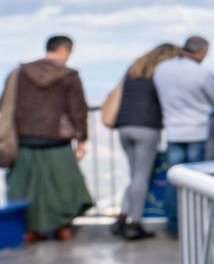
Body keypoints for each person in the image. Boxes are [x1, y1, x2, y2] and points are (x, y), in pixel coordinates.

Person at [3, 36, 93, 241]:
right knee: (63, 186)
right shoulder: (68, 75)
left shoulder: (19, 74)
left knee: (24, 187)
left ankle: (29, 230)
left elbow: (6, 104)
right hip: (57, 141)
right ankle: (62, 228)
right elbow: (77, 109)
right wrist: (82, 138)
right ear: (64, 50)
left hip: (23, 139)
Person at [110, 42, 179, 240]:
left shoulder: (133, 69)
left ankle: (122, 218)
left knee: (135, 177)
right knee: (141, 176)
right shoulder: (162, 74)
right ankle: (135, 223)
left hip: (124, 126)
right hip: (147, 127)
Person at [153, 35, 214, 236]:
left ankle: (174, 224)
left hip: (173, 130)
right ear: (201, 52)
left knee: (174, 179)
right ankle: (195, 224)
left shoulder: (162, 70)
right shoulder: (202, 73)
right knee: (195, 182)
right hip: (198, 130)